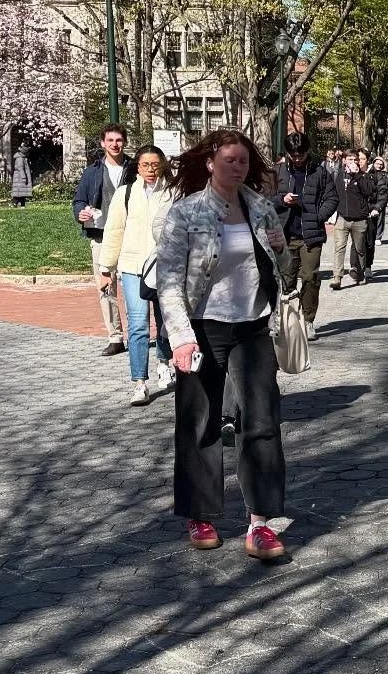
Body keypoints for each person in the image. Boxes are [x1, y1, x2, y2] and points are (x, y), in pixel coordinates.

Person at [155, 128, 289, 563]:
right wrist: (179, 337)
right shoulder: (186, 213)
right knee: (201, 420)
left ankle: (261, 522)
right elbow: (169, 281)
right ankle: (201, 513)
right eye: (230, 160)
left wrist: (281, 249)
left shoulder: (261, 208)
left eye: (244, 161)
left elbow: (281, 269)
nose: (238, 167)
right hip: (202, 327)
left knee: (262, 420)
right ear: (211, 163)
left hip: (253, 326)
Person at [98, 145, 176, 405]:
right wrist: (106, 268)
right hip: (132, 267)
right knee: (139, 324)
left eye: (155, 165)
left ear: (163, 165)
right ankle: (139, 382)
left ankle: (164, 362)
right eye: (145, 165)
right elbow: (113, 231)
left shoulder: (173, 193)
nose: (151, 170)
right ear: (138, 167)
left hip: (164, 267)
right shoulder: (126, 193)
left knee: (165, 320)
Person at [71, 125, 130, 355]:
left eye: (119, 140)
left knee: (137, 289)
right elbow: (78, 201)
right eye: (111, 140)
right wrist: (80, 213)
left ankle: (138, 333)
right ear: (102, 143)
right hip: (101, 236)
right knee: (106, 287)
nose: (115, 144)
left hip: (130, 236)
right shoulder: (92, 172)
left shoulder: (134, 169)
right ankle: (115, 337)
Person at [273, 132, 335, 339]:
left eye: (301, 155)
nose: (297, 158)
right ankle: (287, 321)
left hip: (311, 234)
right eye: (293, 155)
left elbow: (332, 198)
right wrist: (282, 199)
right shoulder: (278, 171)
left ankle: (308, 320)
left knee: (310, 278)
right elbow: (264, 199)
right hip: (285, 235)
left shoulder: (319, 172)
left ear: (307, 151)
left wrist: (319, 216)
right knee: (287, 282)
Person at [329, 151, 375, 287]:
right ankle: (337, 277)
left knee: (360, 248)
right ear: (344, 161)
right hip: (342, 217)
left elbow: (369, 191)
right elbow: (331, 192)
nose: (353, 162)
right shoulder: (337, 174)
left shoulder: (363, 175)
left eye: (355, 160)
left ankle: (360, 273)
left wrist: (358, 175)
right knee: (339, 248)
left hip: (359, 219)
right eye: (350, 159)